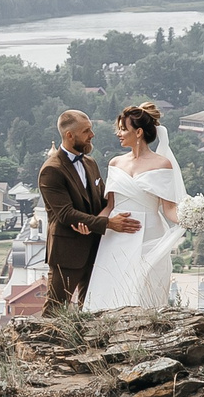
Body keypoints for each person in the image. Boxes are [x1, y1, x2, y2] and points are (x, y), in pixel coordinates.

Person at [82, 102, 187, 311]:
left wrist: (190, 217)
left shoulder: (162, 164)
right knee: (110, 290)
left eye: (123, 129)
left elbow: (169, 209)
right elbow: (110, 206)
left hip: (149, 235)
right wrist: (92, 224)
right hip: (115, 237)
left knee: (144, 292)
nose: (118, 134)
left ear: (138, 132)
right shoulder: (115, 163)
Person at [36, 109, 138, 313]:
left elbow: (101, 202)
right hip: (67, 252)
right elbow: (65, 214)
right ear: (69, 135)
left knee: (92, 309)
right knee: (54, 311)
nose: (92, 135)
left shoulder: (90, 163)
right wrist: (109, 224)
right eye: (86, 131)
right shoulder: (51, 170)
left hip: (97, 250)